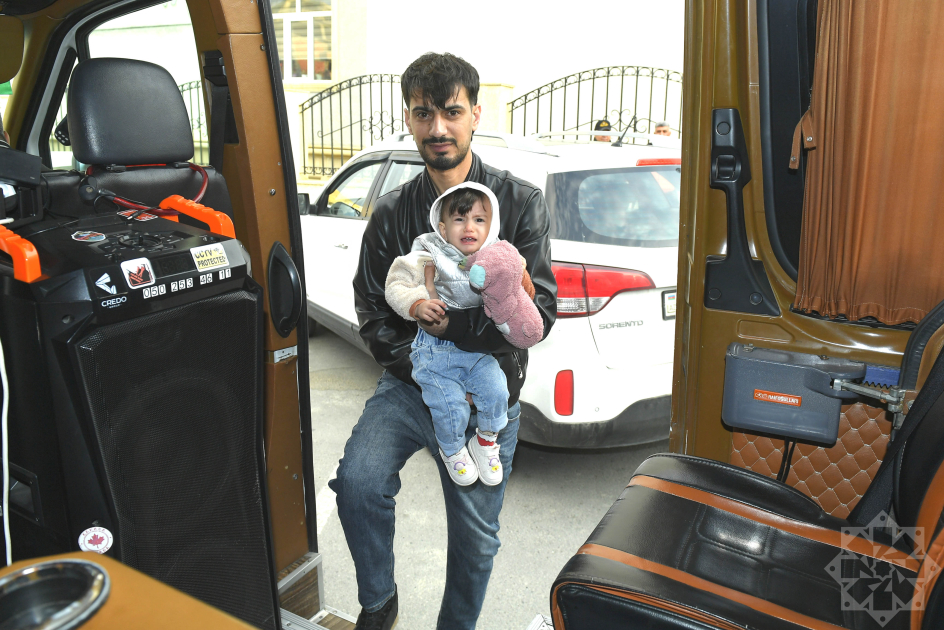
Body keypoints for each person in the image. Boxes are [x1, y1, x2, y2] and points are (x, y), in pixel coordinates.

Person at [329, 52, 556, 630]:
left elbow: (540, 313)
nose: (438, 128)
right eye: (423, 113)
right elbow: (371, 308)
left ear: (476, 114)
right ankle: (378, 604)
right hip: (412, 382)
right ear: (408, 118)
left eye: (451, 112)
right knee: (357, 484)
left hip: (487, 391)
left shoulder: (520, 203)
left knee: (476, 541)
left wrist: (453, 334)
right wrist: (424, 370)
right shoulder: (391, 212)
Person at [384, 182, 540, 488]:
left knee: (497, 391)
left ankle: (485, 442)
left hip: (476, 350)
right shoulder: (428, 253)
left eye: (479, 220)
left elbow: (523, 286)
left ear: (490, 225)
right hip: (434, 350)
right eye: (459, 219)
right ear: (443, 228)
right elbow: (396, 283)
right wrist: (417, 304)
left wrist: (519, 279)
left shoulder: (496, 254)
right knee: (450, 406)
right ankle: (452, 449)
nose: (469, 227)